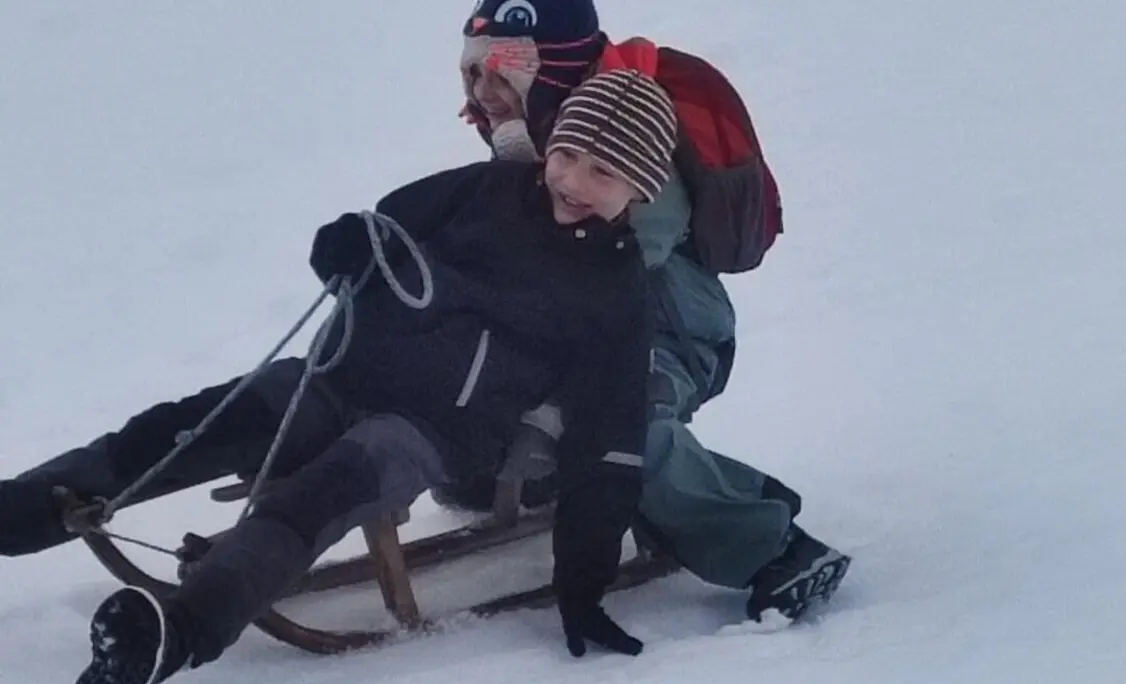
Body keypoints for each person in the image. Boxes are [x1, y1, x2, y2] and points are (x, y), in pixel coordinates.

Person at [0, 69, 679, 683]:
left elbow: (608, 442)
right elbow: (386, 228)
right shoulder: (488, 189)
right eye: (567, 154)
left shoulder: (614, 297)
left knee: (324, 492)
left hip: (436, 433)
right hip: (341, 375)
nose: (572, 181)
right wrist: (348, 242)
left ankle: (177, 633)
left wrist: (584, 586)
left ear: (640, 190)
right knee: (191, 425)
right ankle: (24, 508)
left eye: (604, 173)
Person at [450, 0, 852, 623]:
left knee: (619, 425)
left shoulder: (630, 132)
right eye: (473, 74)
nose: (486, 92)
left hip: (670, 327)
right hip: (585, 322)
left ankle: (777, 550)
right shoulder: (538, 136)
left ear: (553, 68)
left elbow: (612, 264)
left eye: (504, 71)